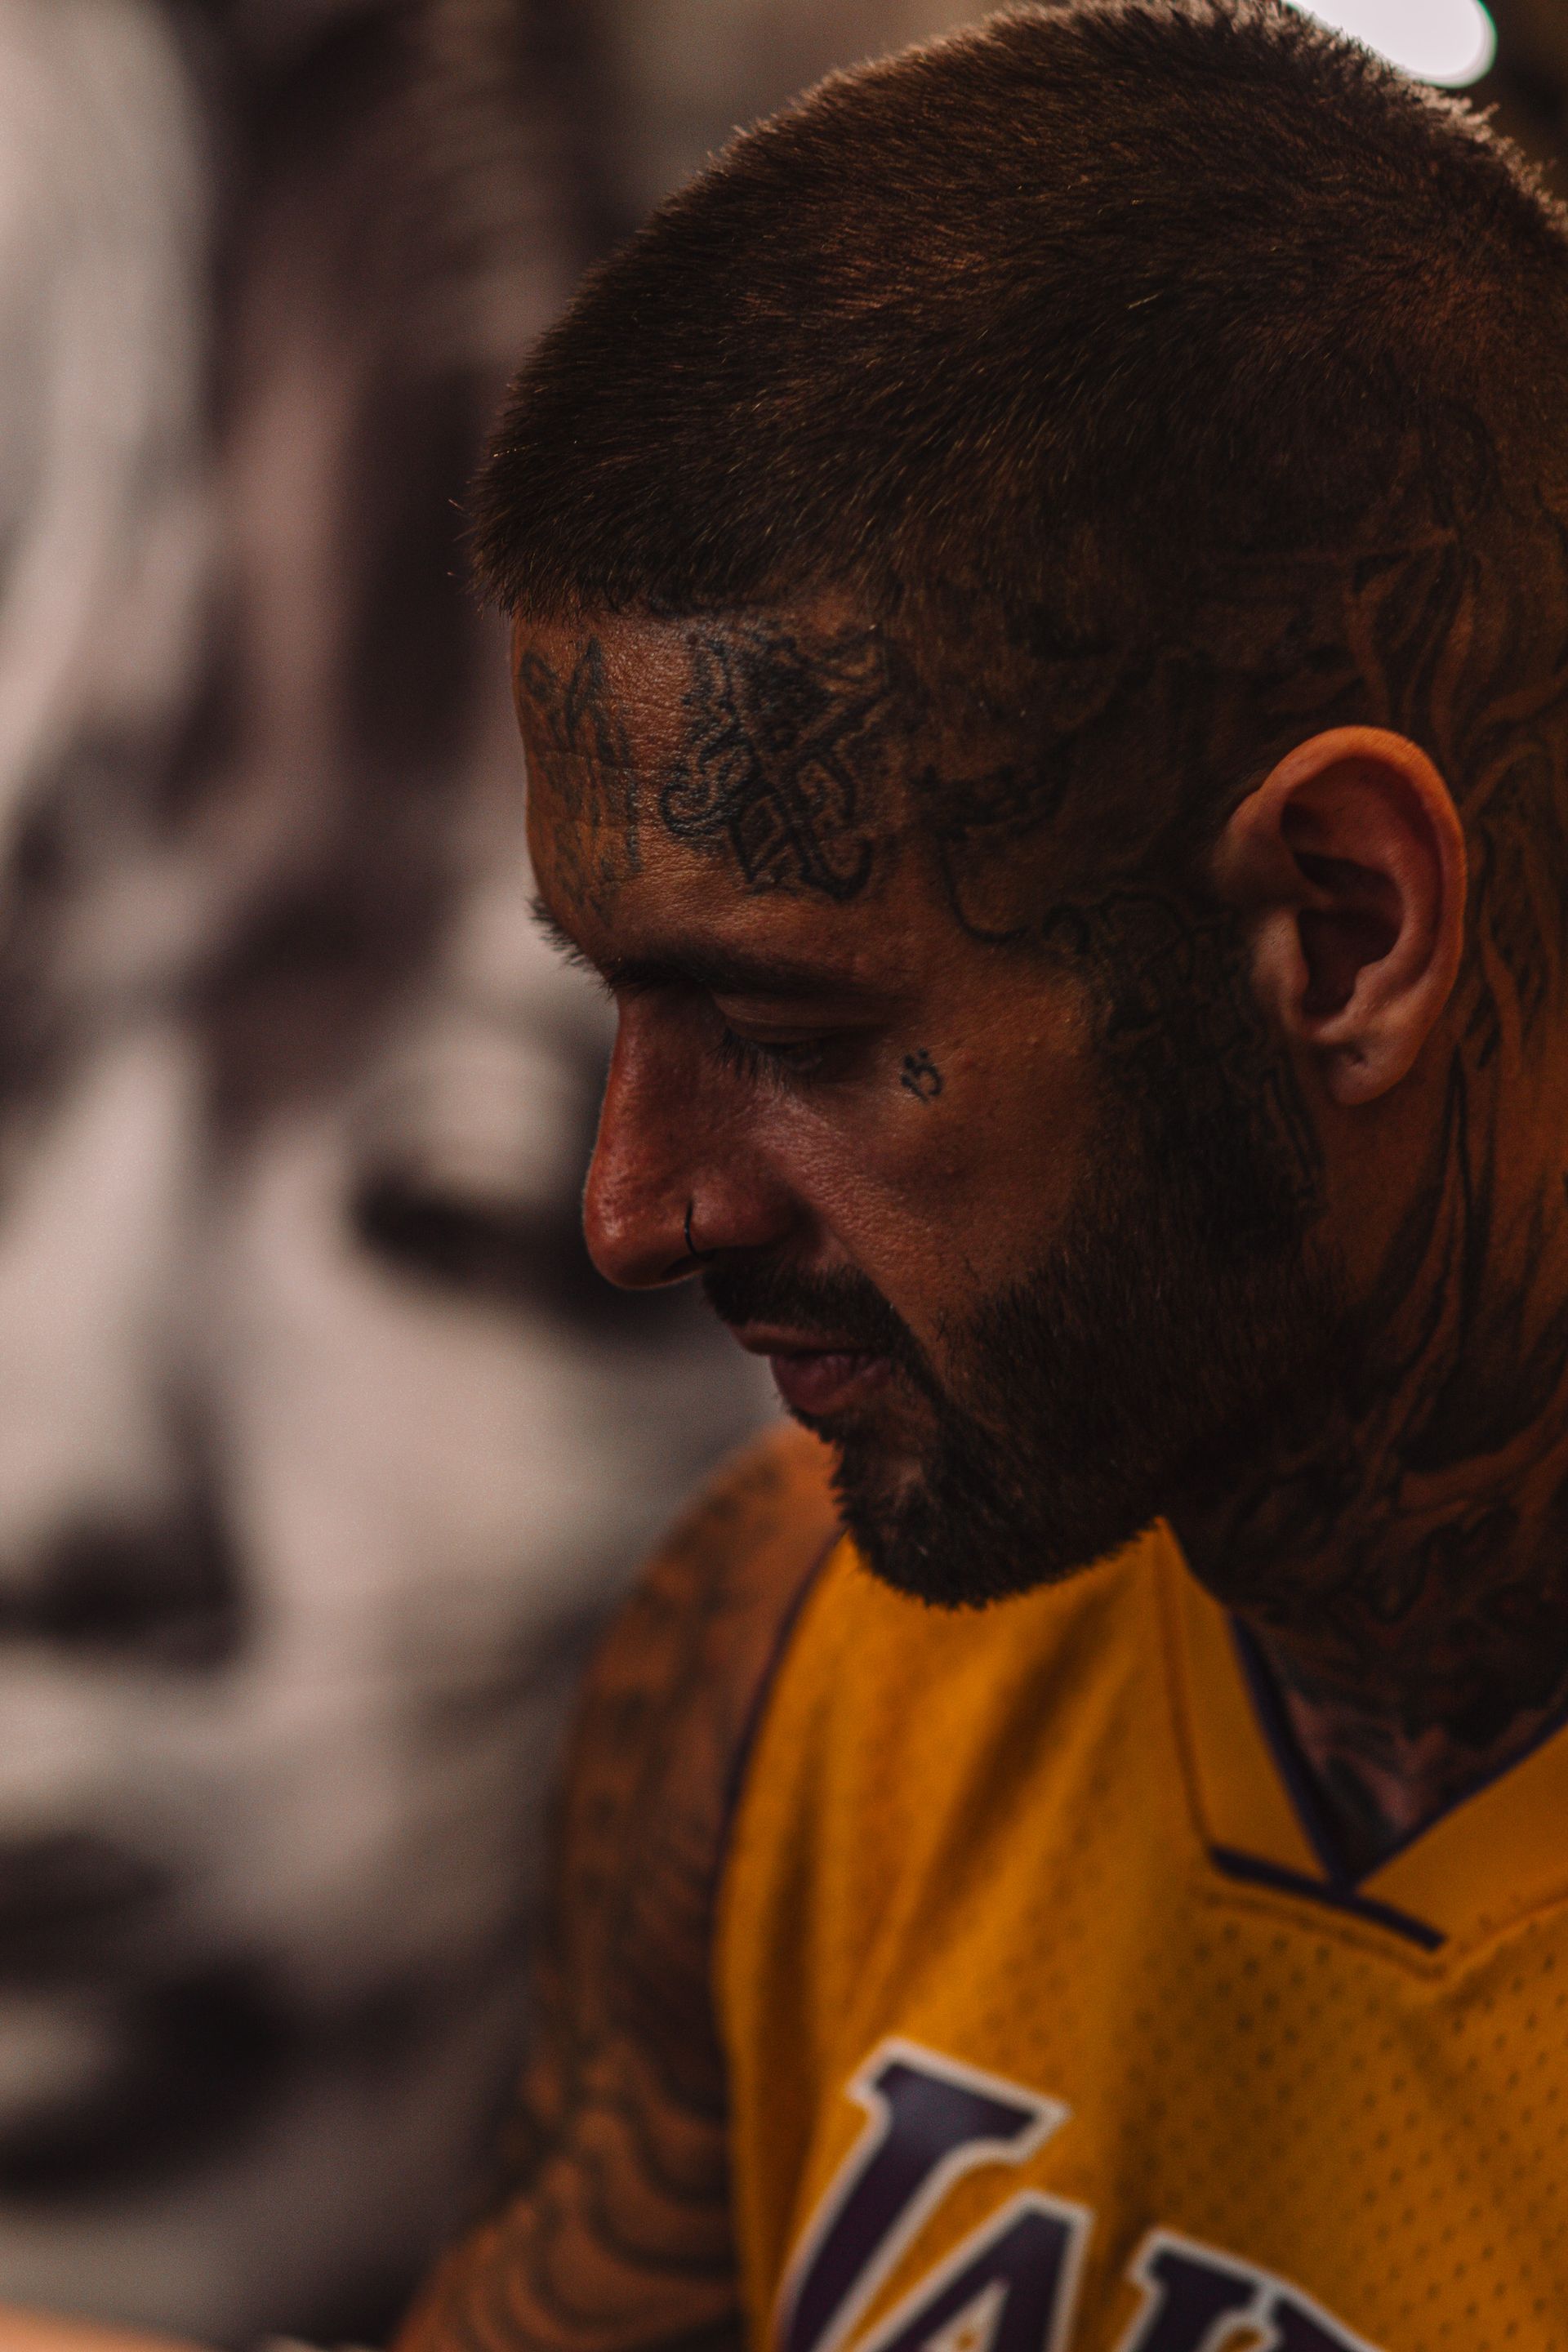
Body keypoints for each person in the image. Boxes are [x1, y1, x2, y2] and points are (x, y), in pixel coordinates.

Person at [393, 4, 1568, 2348]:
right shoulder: (778, 1648)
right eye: (619, 1006)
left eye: (792, 1037)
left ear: (1339, 930)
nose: (634, 1208)